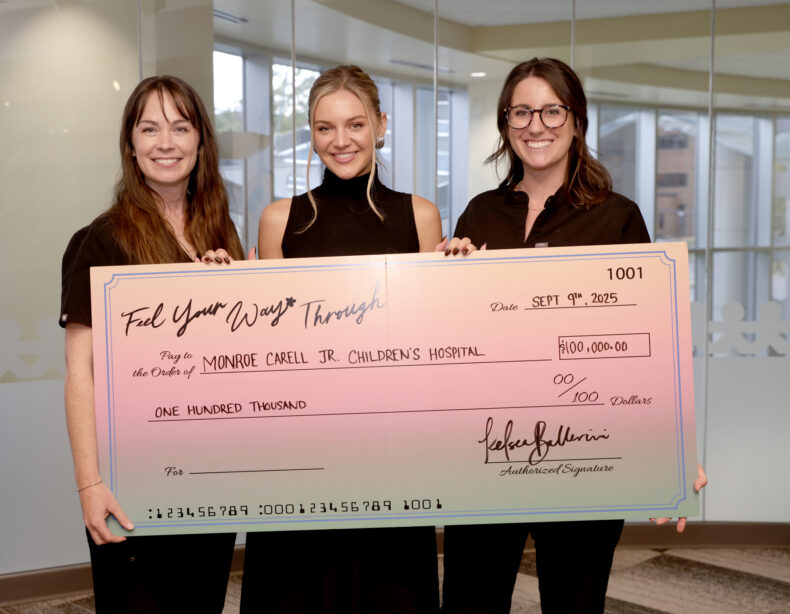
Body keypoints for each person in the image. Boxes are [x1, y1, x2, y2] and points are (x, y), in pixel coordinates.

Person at [440, 57, 708, 614]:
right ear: (505, 123)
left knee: (574, 603)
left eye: (551, 110)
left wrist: (674, 449)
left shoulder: (617, 219)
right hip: (487, 452)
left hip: (586, 455)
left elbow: (648, 346)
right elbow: (456, 339)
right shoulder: (479, 214)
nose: (535, 125)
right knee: (470, 600)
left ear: (577, 120)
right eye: (521, 112)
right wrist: (443, 276)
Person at [240, 64, 443, 614]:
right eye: (325, 128)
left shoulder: (420, 216)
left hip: (392, 443)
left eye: (355, 124)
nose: (341, 140)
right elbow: (268, 346)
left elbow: (431, 337)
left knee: (388, 593)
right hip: (300, 445)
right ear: (311, 133)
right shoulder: (279, 219)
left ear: (381, 124)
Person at [60, 75, 244, 613]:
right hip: (131, 482)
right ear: (131, 144)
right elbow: (80, 373)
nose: (166, 142)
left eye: (180, 127)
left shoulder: (221, 234)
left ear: (201, 142)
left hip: (210, 479)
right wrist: (89, 485)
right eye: (150, 128)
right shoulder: (103, 239)